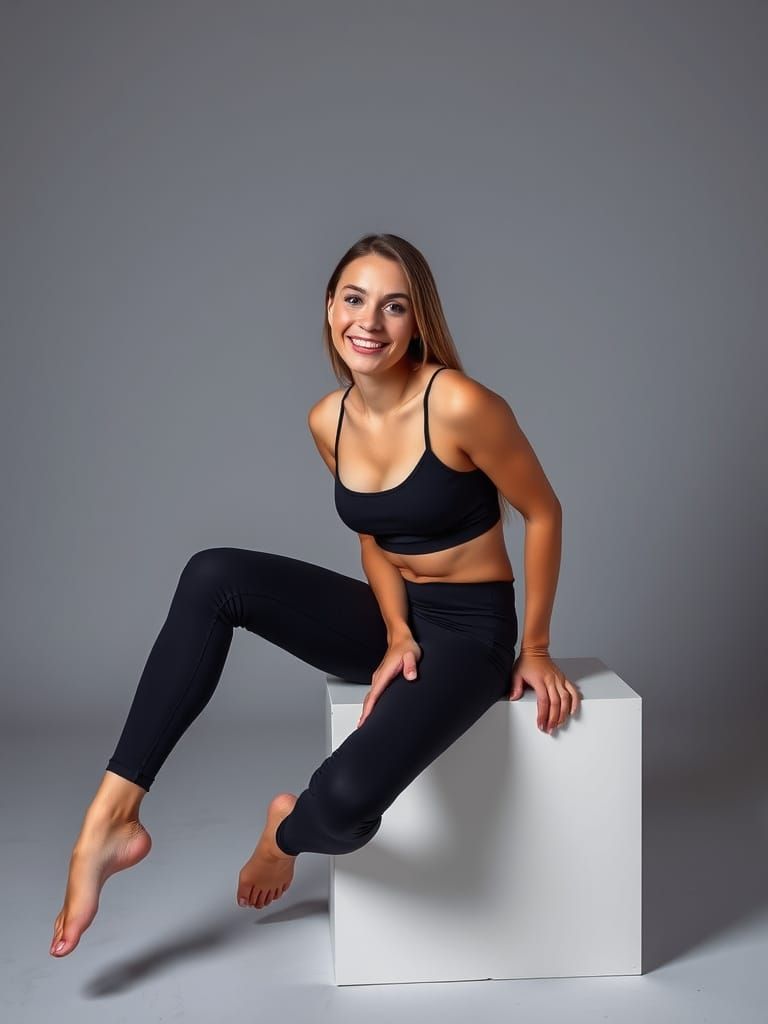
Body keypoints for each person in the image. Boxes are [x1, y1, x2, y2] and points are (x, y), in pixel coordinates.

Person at [50, 233, 580, 959]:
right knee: (214, 575)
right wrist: (395, 629)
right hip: (399, 618)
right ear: (330, 307)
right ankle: (112, 817)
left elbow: (543, 510)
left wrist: (538, 648)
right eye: (355, 299)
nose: (371, 321)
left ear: (417, 320)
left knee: (343, 802)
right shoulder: (326, 420)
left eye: (394, 307)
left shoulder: (457, 403)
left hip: (470, 633)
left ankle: (284, 832)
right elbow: (374, 535)